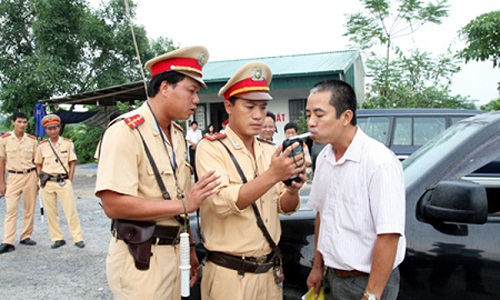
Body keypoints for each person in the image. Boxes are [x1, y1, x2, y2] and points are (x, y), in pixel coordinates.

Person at [94, 46, 221, 299]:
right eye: (191, 91)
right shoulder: (125, 131)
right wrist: (183, 205)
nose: (196, 100)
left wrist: (191, 248)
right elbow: (113, 204)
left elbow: (178, 195)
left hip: (175, 253)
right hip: (141, 259)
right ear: (165, 87)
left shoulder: (176, 134)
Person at [195, 61, 307, 299]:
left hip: (269, 272)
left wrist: (293, 190)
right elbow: (222, 202)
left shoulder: (268, 150)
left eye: (263, 107)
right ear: (229, 106)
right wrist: (273, 174)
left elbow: (282, 207)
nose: (258, 115)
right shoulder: (211, 148)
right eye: (249, 107)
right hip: (231, 275)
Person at [305, 80, 405, 300]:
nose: (311, 123)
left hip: (367, 282)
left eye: (319, 115)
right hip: (333, 278)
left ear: (346, 117)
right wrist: (318, 266)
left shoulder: (379, 162)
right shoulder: (324, 158)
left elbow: (389, 235)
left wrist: (371, 295)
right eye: (308, 115)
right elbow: (323, 214)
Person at [35, 114, 85, 249]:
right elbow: (38, 163)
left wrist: (70, 180)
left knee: (71, 211)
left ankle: (77, 238)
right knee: (51, 212)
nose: (52, 131)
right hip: (47, 182)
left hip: (63, 181)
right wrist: (40, 178)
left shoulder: (68, 143)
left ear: (59, 127)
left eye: (55, 128)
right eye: (49, 129)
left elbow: (72, 162)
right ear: (46, 130)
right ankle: (57, 238)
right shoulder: (42, 146)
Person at [0, 112, 38, 254]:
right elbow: (1, 162)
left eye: (24, 122)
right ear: (13, 122)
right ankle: (7, 241)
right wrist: (1, 183)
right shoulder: (4, 140)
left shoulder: (32, 140)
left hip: (30, 175)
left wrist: (38, 180)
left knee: (29, 208)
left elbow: (37, 161)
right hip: (13, 177)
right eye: (19, 122)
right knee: (11, 209)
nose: (22, 125)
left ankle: (26, 236)